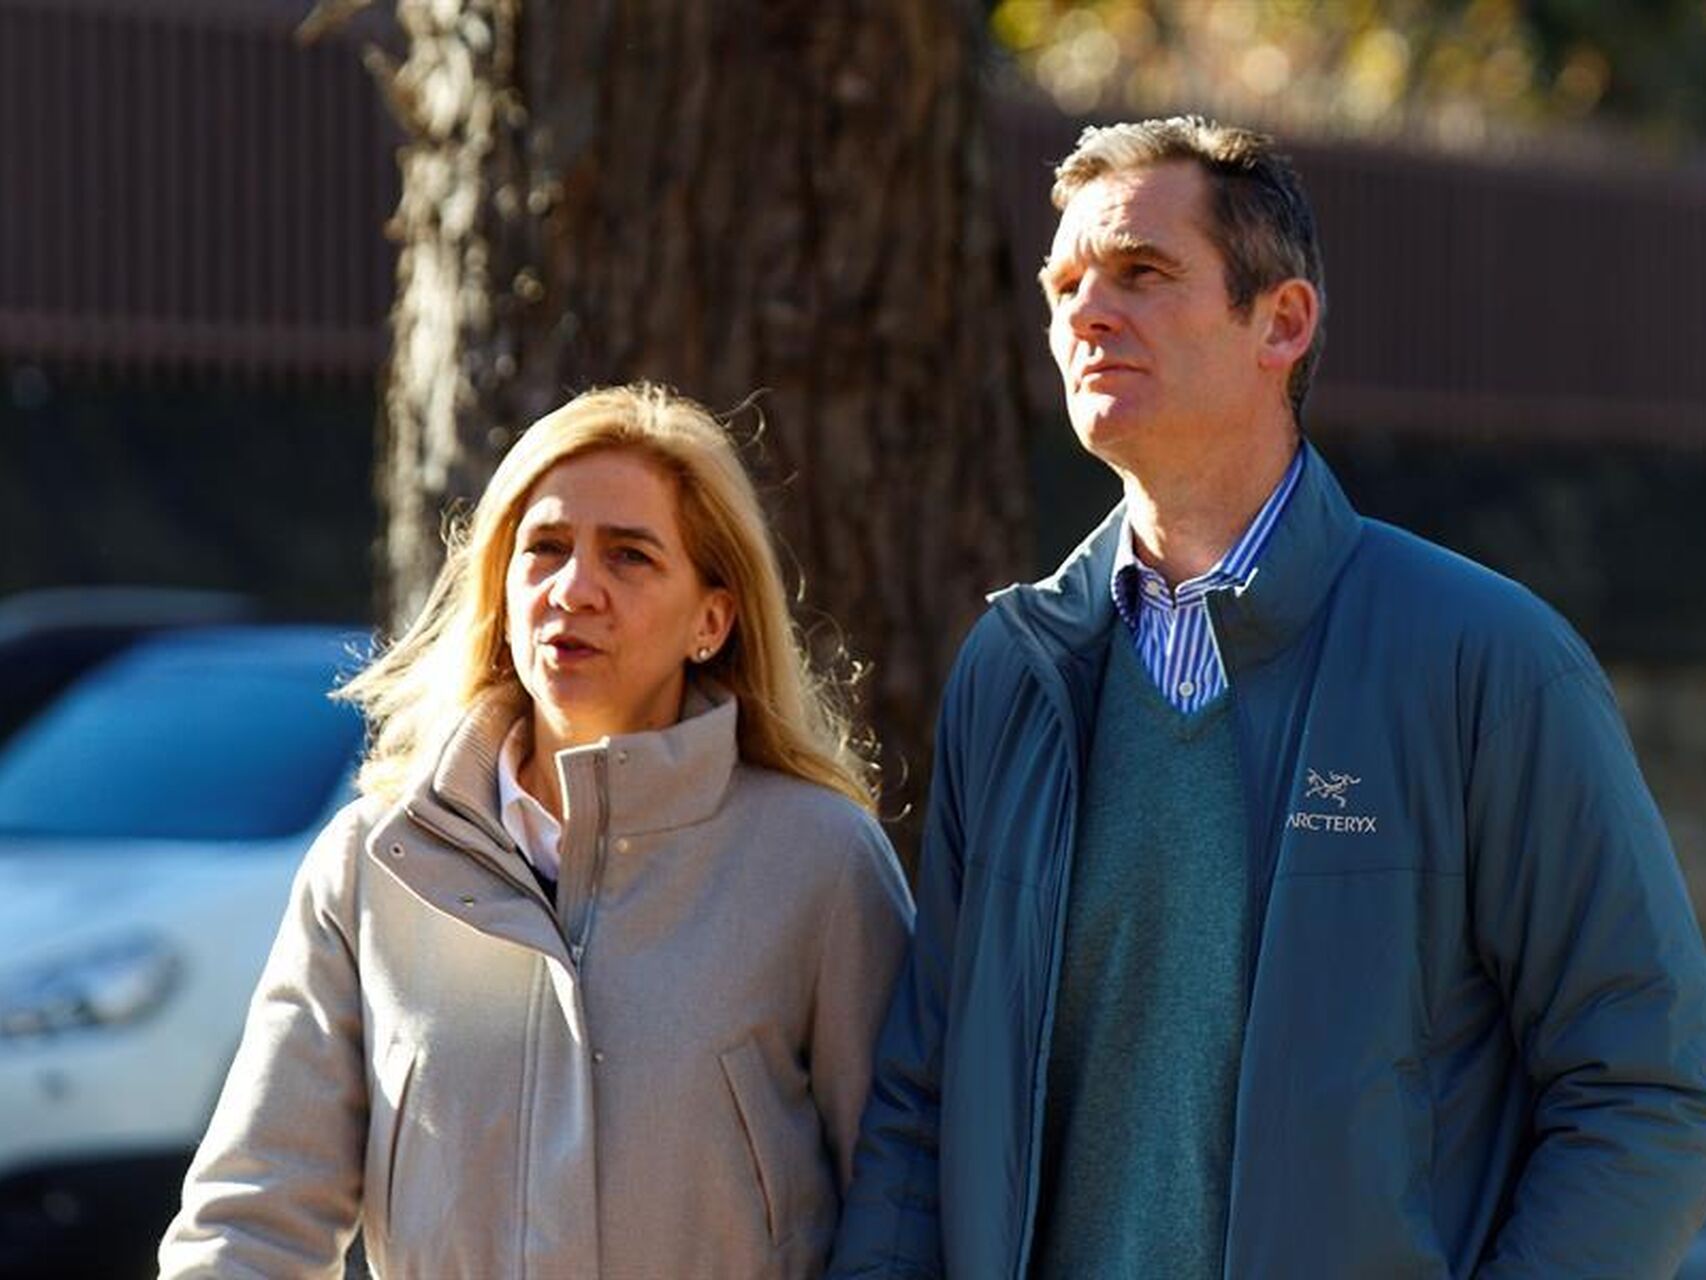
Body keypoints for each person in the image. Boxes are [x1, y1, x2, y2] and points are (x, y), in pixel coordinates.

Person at [829, 117, 1706, 1278]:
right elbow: (922, 1097)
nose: (1087, 313)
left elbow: (1643, 1085)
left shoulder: (1484, 659)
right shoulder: (1011, 670)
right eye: (1064, 284)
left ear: (1280, 322)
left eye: (1141, 271)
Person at [159, 383, 913, 1278]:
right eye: (545, 548)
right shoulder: (375, 864)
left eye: (629, 556)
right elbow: (250, 1222)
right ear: (502, 587)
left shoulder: (819, 864)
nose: (575, 589)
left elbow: (903, 1210)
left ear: (711, 620)